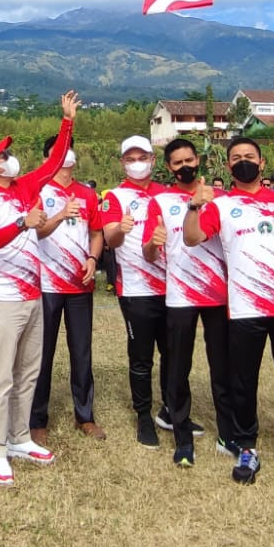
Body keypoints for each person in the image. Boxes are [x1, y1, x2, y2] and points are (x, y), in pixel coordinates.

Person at [184, 137, 274, 488]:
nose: (243, 161)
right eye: (236, 158)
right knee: (243, 382)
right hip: (245, 308)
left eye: (250, 156)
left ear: (262, 164)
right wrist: (193, 207)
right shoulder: (221, 205)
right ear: (228, 166)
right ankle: (246, 446)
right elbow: (191, 239)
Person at [0, 90, 79, 485]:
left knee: (29, 372)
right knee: (1, 377)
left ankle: (19, 438)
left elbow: (54, 163)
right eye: (3, 156)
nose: (11, 159)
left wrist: (67, 121)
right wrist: (22, 224)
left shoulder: (23, 190)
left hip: (32, 296)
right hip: (4, 300)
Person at [146, 138, 227, 467]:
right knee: (178, 368)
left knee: (223, 366)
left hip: (219, 295)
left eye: (189, 160)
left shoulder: (220, 198)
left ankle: (229, 433)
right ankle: (182, 438)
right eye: (177, 163)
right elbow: (148, 254)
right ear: (169, 167)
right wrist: (153, 244)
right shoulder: (160, 201)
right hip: (180, 295)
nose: (184, 167)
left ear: (199, 160)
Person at [100, 135, 176, 448]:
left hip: (173, 288)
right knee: (141, 357)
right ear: (122, 162)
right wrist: (120, 228)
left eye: (142, 157)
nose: (137, 163)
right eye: (130, 158)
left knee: (173, 354)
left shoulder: (169, 195)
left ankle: (171, 410)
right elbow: (110, 240)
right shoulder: (115, 197)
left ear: (153, 159)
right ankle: (143, 415)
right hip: (135, 288)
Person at [30, 135, 104, 447]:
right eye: (60, 150)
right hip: (46, 285)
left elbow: (97, 232)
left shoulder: (87, 194)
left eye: (69, 148)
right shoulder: (38, 191)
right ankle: (37, 419)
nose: (67, 154)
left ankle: (84, 416)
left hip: (79, 286)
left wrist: (92, 258)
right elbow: (36, 229)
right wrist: (61, 214)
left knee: (82, 353)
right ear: (50, 158)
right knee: (41, 354)